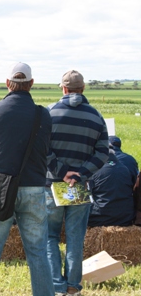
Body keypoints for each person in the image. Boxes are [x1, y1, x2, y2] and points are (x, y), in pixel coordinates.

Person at [0, 62, 54, 296]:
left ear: (8, 83)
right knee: (38, 252)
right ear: (31, 84)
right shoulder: (43, 114)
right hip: (33, 187)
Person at [45, 70, 109, 296]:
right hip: (80, 186)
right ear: (83, 89)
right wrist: (80, 174)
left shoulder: (49, 112)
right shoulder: (96, 116)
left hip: (51, 185)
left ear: (63, 89)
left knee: (50, 236)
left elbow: (40, 149)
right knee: (75, 238)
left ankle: (56, 285)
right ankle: (73, 287)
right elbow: (103, 153)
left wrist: (61, 171)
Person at [88, 150, 135, 227]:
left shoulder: (95, 170)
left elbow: (84, 195)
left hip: (99, 218)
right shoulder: (125, 169)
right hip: (125, 218)